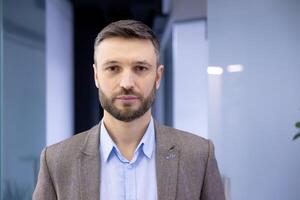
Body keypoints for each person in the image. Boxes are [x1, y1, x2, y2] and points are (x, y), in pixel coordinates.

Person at [33, 19, 225, 200]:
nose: (126, 83)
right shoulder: (57, 161)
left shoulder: (199, 155)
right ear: (96, 76)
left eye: (140, 68)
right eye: (113, 68)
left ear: (158, 77)